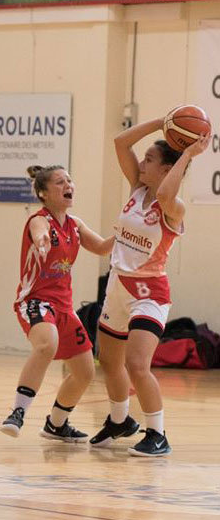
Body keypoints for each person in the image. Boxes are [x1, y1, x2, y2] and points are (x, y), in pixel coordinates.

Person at [90, 118, 209, 457]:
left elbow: (169, 191)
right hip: (117, 285)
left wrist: (188, 154)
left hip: (149, 293)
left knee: (137, 364)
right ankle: (119, 420)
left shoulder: (173, 206)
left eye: (150, 160)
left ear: (167, 168)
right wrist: (163, 123)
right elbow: (119, 141)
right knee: (109, 361)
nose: (142, 163)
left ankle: (158, 433)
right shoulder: (137, 189)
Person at [0, 165, 113, 441]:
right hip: (35, 300)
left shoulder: (75, 224)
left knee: (85, 371)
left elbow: (101, 247)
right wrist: (40, 242)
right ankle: (17, 412)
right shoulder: (39, 220)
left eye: (69, 180)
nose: (68, 185)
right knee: (46, 344)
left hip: (64, 306)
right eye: (60, 182)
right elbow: (38, 232)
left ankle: (56, 424)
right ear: (43, 193)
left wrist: (128, 233)